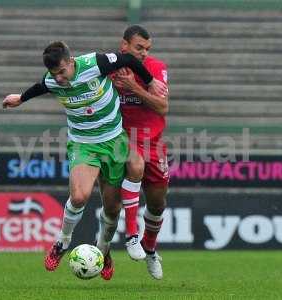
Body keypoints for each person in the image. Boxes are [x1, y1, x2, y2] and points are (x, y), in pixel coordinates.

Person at [2, 41, 167, 280]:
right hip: (83, 144)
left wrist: (150, 81)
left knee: (112, 207)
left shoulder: (95, 63)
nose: (58, 78)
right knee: (79, 196)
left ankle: (104, 249)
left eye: (61, 72)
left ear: (71, 62)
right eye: (54, 73)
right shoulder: (52, 80)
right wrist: (20, 98)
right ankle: (62, 242)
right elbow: (40, 87)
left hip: (113, 139)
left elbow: (129, 60)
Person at [111, 25, 170, 280]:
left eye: (147, 49)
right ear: (124, 45)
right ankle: (130, 236)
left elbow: (162, 107)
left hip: (154, 144)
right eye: (139, 48)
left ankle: (149, 246)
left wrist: (134, 87)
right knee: (128, 175)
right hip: (122, 139)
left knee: (158, 204)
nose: (144, 53)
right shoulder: (109, 66)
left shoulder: (156, 68)